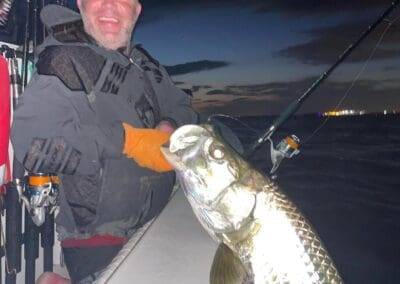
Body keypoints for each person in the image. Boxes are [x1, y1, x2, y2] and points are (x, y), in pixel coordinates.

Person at [12, 0, 197, 283]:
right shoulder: (64, 60)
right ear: (81, 4)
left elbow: (184, 105)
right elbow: (35, 142)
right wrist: (130, 141)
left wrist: (172, 124)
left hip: (160, 219)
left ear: (136, 10)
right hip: (99, 241)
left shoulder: (145, 63)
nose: (110, 5)